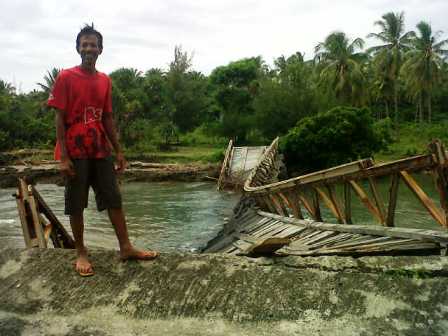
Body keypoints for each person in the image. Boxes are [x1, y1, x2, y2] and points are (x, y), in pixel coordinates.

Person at [48, 24, 159, 276]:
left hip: (100, 148)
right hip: (75, 150)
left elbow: (107, 117)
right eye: (84, 44)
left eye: (93, 44)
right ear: (78, 48)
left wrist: (118, 151)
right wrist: (63, 157)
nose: (89, 48)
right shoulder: (66, 77)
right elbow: (59, 117)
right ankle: (81, 252)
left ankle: (125, 247)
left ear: (100, 49)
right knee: (76, 203)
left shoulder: (104, 80)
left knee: (113, 198)